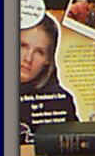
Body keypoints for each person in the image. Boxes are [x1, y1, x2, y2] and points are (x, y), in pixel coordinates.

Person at [20, 14, 79, 144]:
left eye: (39, 52)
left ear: (48, 59)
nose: (28, 58)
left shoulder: (61, 101)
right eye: (23, 45)